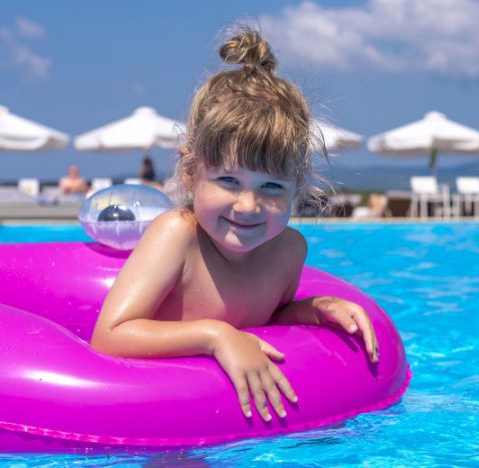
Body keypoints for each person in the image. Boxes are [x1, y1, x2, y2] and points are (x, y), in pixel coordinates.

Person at [90, 28, 379, 423]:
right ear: (190, 172)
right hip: (160, 417)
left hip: (234, 426)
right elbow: (110, 336)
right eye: (228, 180)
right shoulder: (178, 236)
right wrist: (215, 336)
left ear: (298, 186)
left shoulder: (288, 250)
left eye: (272, 187)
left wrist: (312, 310)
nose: (248, 205)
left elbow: (267, 323)